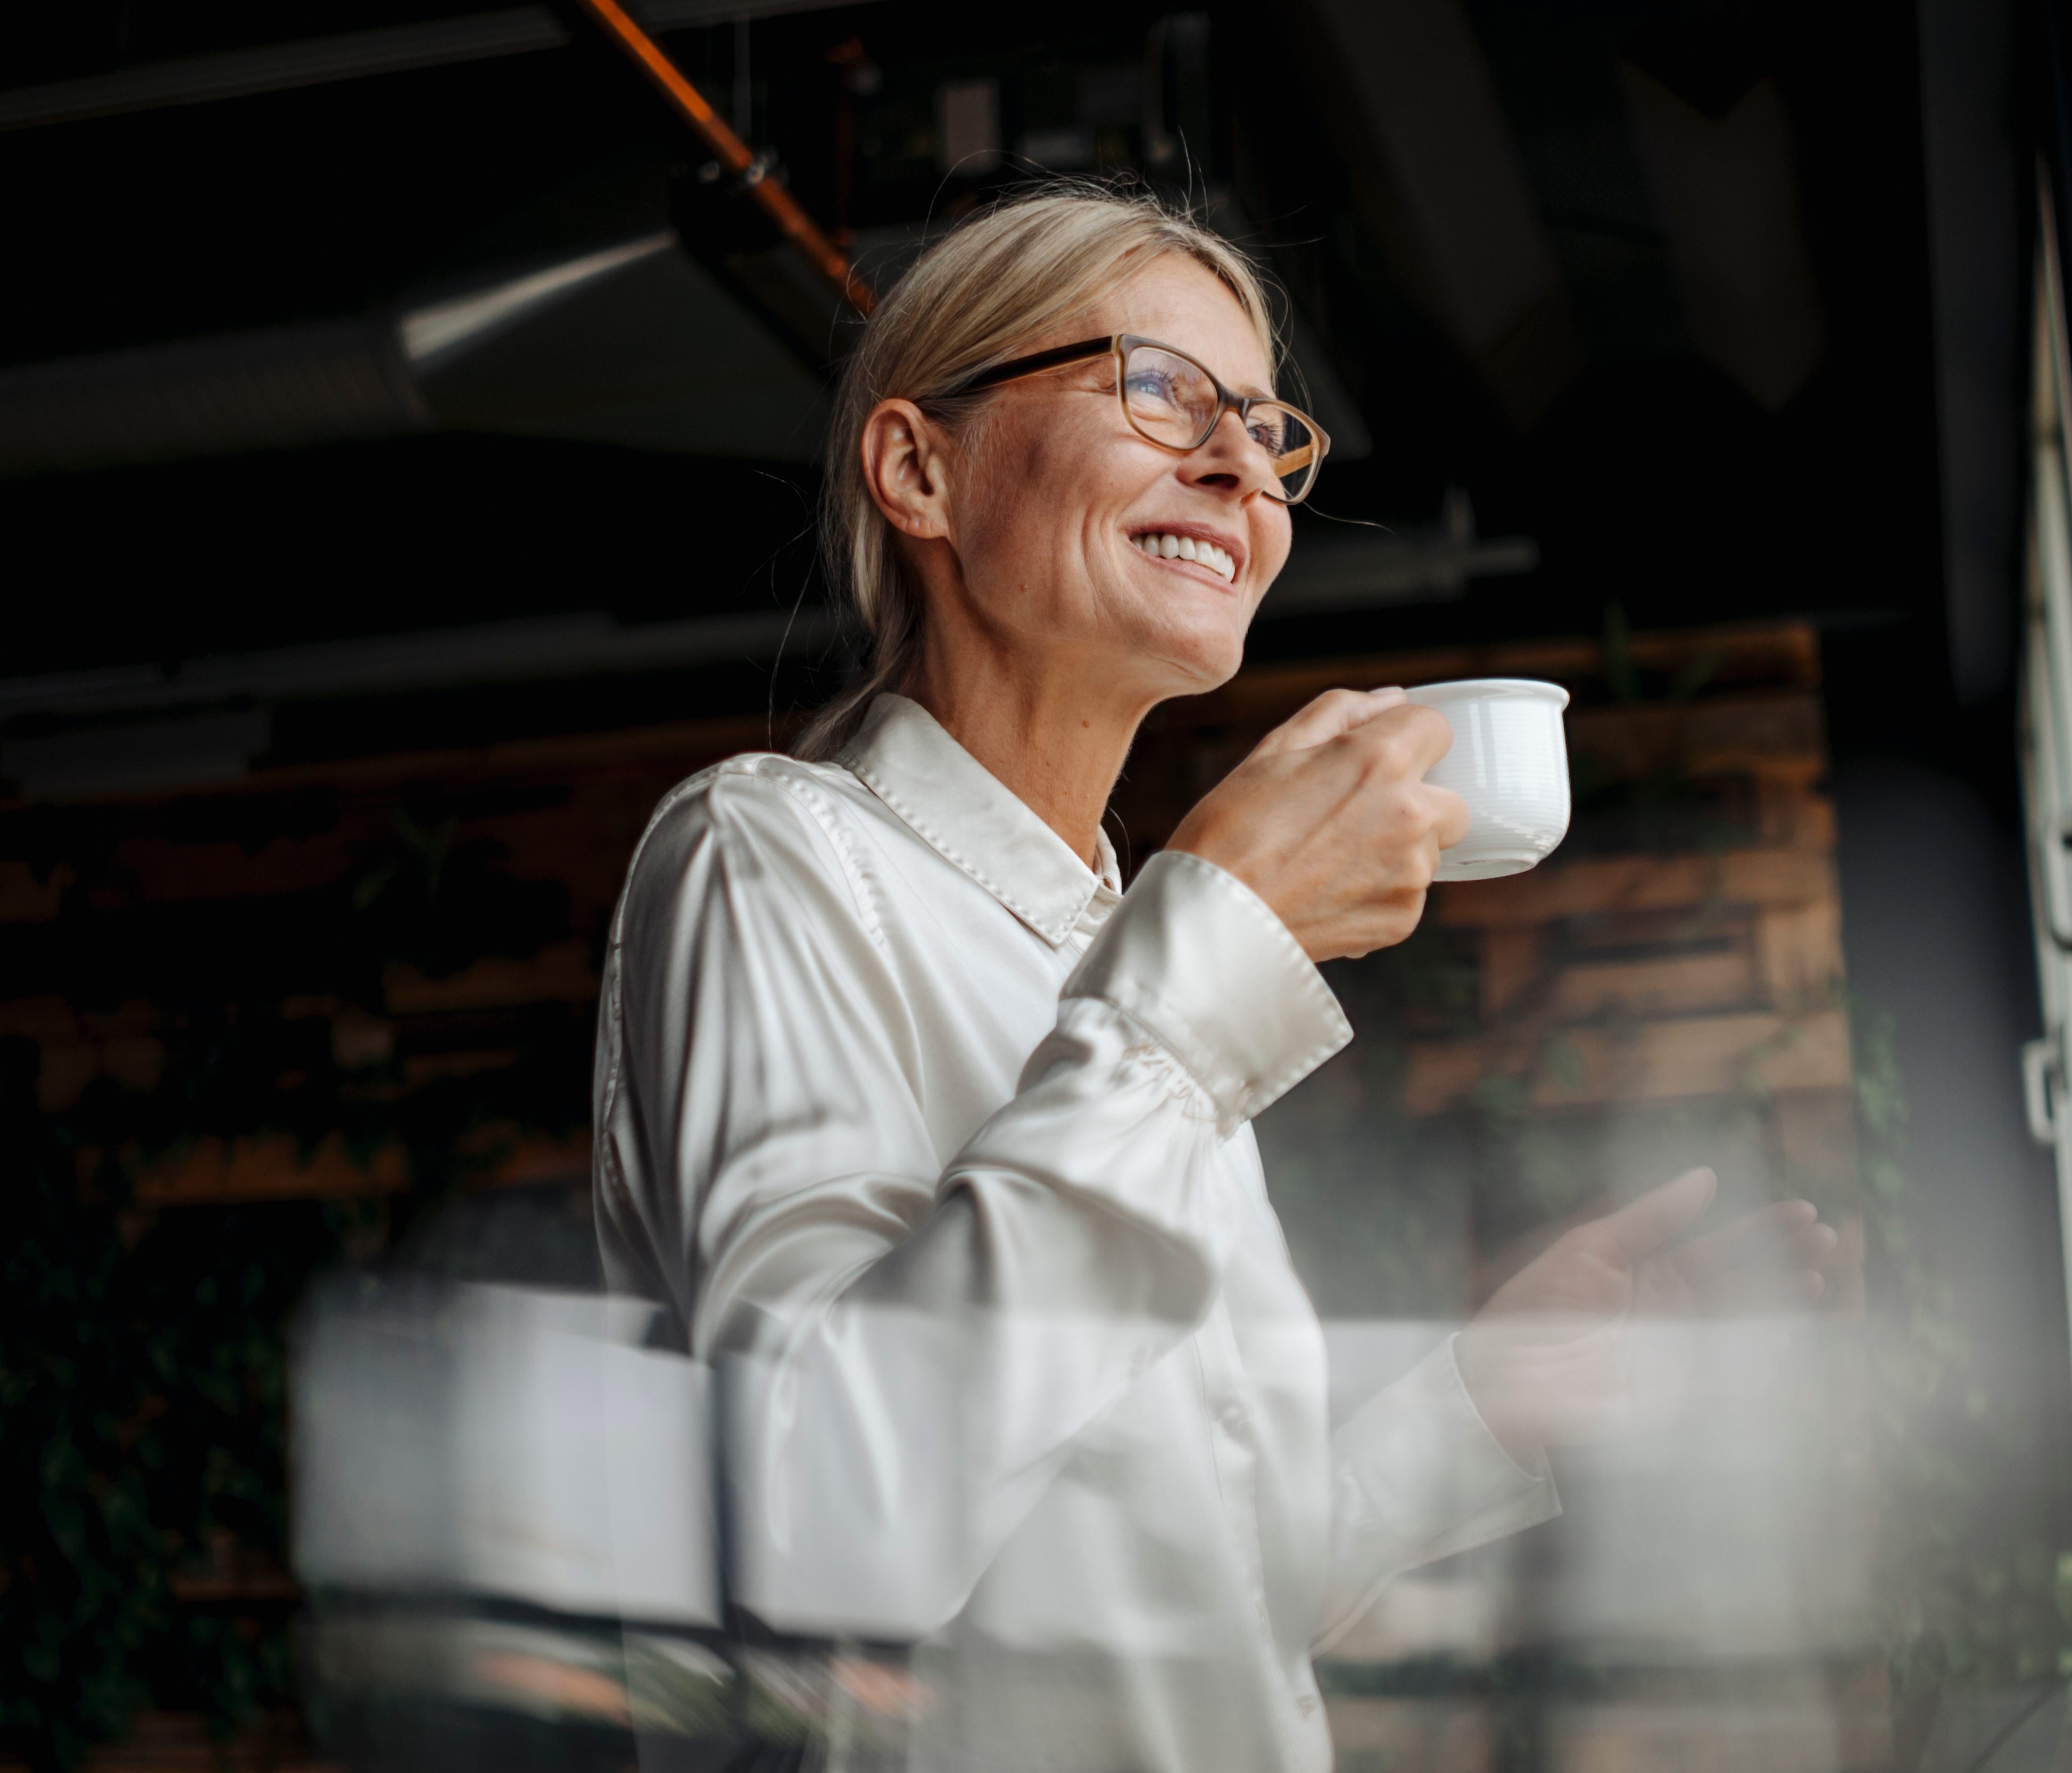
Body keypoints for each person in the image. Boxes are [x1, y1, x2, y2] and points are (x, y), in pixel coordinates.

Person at [593, 184, 1832, 1773]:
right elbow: (831, 1525)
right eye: (1158, 387)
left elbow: (1177, 1596)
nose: (1244, 460)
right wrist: (1210, 968)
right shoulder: (766, 856)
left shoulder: (1138, 948)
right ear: (920, 468)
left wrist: (1487, 1398)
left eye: (1267, 424)